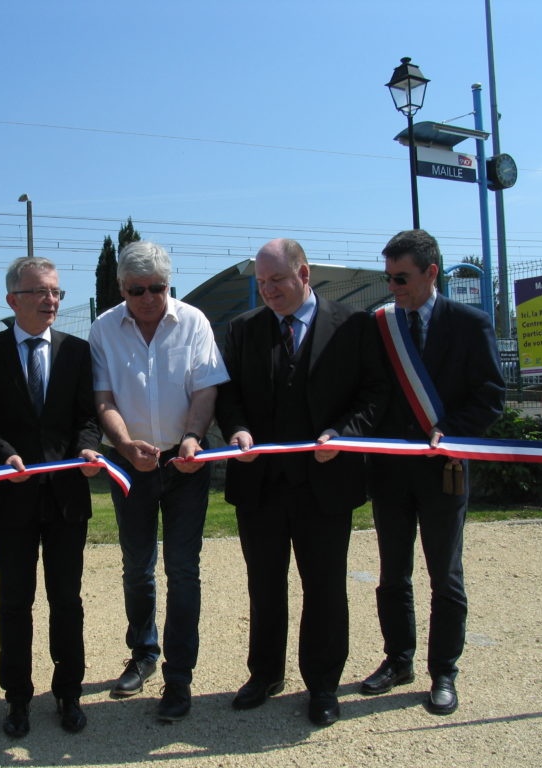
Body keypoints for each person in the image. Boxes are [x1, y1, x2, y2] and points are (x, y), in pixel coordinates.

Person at [215, 239, 387, 727]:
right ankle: (265, 674)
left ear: (304, 273)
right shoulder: (244, 329)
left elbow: (375, 393)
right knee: (264, 585)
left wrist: (344, 434)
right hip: (262, 486)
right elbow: (228, 395)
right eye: (261, 283)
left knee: (326, 587)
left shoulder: (353, 325)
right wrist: (237, 430)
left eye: (277, 281)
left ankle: (324, 685)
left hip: (327, 484)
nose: (268, 291)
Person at [361, 229, 504, 716]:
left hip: (444, 470)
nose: (394, 286)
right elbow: (371, 392)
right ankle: (398, 660)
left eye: (401, 277)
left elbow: (491, 396)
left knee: (445, 576)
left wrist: (450, 430)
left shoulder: (470, 323)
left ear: (431, 272)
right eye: (389, 278)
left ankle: (444, 671)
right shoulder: (380, 325)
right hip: (391, 472)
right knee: (392, 575)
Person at [88, 241, 228, 723]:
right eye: (137, 289)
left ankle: (179, 676)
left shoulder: (194, 322)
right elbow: (103, 397)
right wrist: (126, 447)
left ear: (171, 284)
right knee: (137, 566)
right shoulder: (104, 328)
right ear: (121, 288)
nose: (149, 298)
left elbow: (206, 387)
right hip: (130, 464)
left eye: (158, 288)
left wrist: (193, 437)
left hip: (185, 463)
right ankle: (143, 653)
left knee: (183, 569)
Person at [0, 256, 101, 738]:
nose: (51, 301)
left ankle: (68, 693)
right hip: (12, 497)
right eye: (40, 292)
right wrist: (2, 455)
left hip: (66, 499)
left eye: (56, 292)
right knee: (14, 602)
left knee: (67, 600)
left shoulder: (77, 352)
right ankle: (17, 697)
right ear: (13, 300)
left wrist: (88, 448)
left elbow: (88, 416)